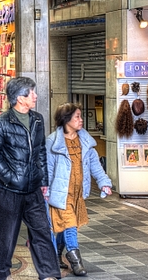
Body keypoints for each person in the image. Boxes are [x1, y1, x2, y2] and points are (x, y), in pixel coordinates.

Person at [0, 77, 61, 280]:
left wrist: (43, 181)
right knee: (6, 236)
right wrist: (10, 177)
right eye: (31, 92)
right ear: (20, 98)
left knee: (42, 231)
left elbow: (41, 152)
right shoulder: (0, 122)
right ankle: (1, 275)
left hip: (34, 189)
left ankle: (49, 274)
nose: (35, 96)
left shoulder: (37, 119)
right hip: (8, 190)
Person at [46, 103, 113, 276]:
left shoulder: (86, 141)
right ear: (66, 119)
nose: (81, 119)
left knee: (62, 226)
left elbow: (95, 166)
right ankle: (76, 262)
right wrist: (45, 188)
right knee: (70, 225)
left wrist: (104, 182)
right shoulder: (52, 142)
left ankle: (55, 255)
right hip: (60, 192)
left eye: (80, 116)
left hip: (78, 193)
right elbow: (48, 168)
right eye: (77, 116)